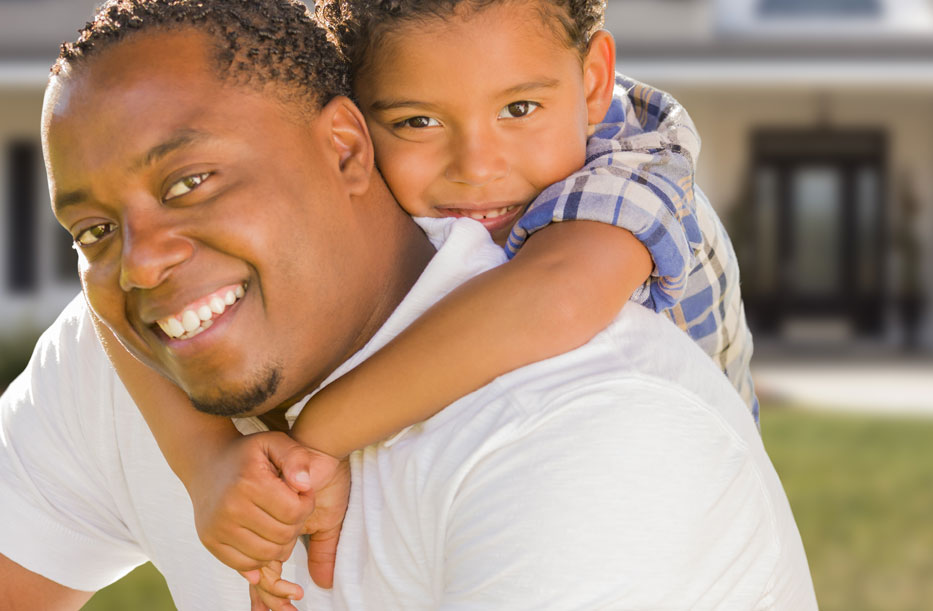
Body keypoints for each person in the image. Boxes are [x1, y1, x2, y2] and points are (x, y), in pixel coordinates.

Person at [0, 0, 819, 609]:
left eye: (190, 183)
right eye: (96, 228)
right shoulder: (164, 305)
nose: (478, 165)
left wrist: (314, 439)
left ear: (343, 145)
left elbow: (554, 300)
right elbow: (104, 305)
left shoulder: (614, 236)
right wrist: (205, 457)